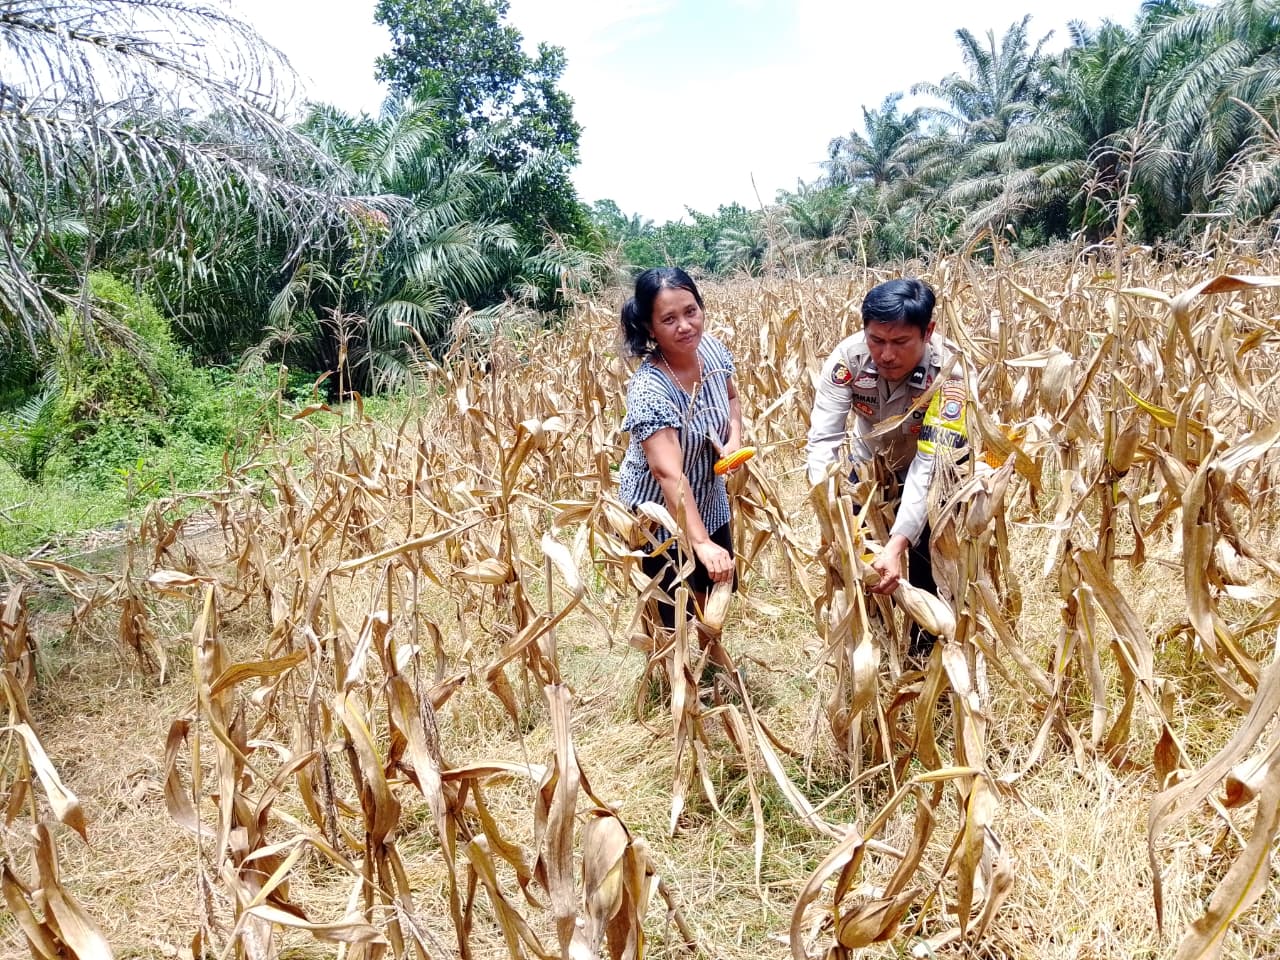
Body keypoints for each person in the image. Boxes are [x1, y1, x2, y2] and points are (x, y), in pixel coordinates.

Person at [804, 278, 967, 655]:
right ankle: (873, 648)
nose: (886, 355)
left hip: (935, 470)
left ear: (928, 331)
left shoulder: (950, 372)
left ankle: (926, 655)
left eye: (900, 343)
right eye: (877, 340)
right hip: (871, 466)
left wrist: (898, 542)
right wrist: (832, 511)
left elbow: (929, 464)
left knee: (928, 564)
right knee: (860, 562)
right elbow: (823, 442)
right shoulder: (847, 361)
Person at [617, 267, 744, 650]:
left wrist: (734, 441)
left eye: (691, 311)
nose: (685, 326)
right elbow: (667, 472)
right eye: (669, 319)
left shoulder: (713, 350)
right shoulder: (651, 389)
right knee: (672, 607)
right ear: (650, 328)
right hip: (659, 513)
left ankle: (711, 662)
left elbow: (733, 399)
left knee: (713, 590)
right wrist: (700, 542)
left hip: (707, 493)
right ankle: (672, 681)